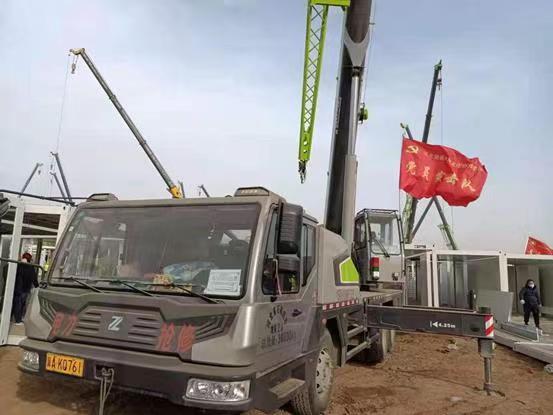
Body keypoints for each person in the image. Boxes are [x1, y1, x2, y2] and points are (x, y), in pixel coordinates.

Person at [12, 253, 38, 325]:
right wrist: (37, 286)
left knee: (17, 304)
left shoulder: (18, 265)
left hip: (18, 288)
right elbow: (34, 278)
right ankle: (19, 319)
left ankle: (17, 319)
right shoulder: (31, 267)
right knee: (22, 304)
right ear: (29, 259)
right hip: (26, 288)